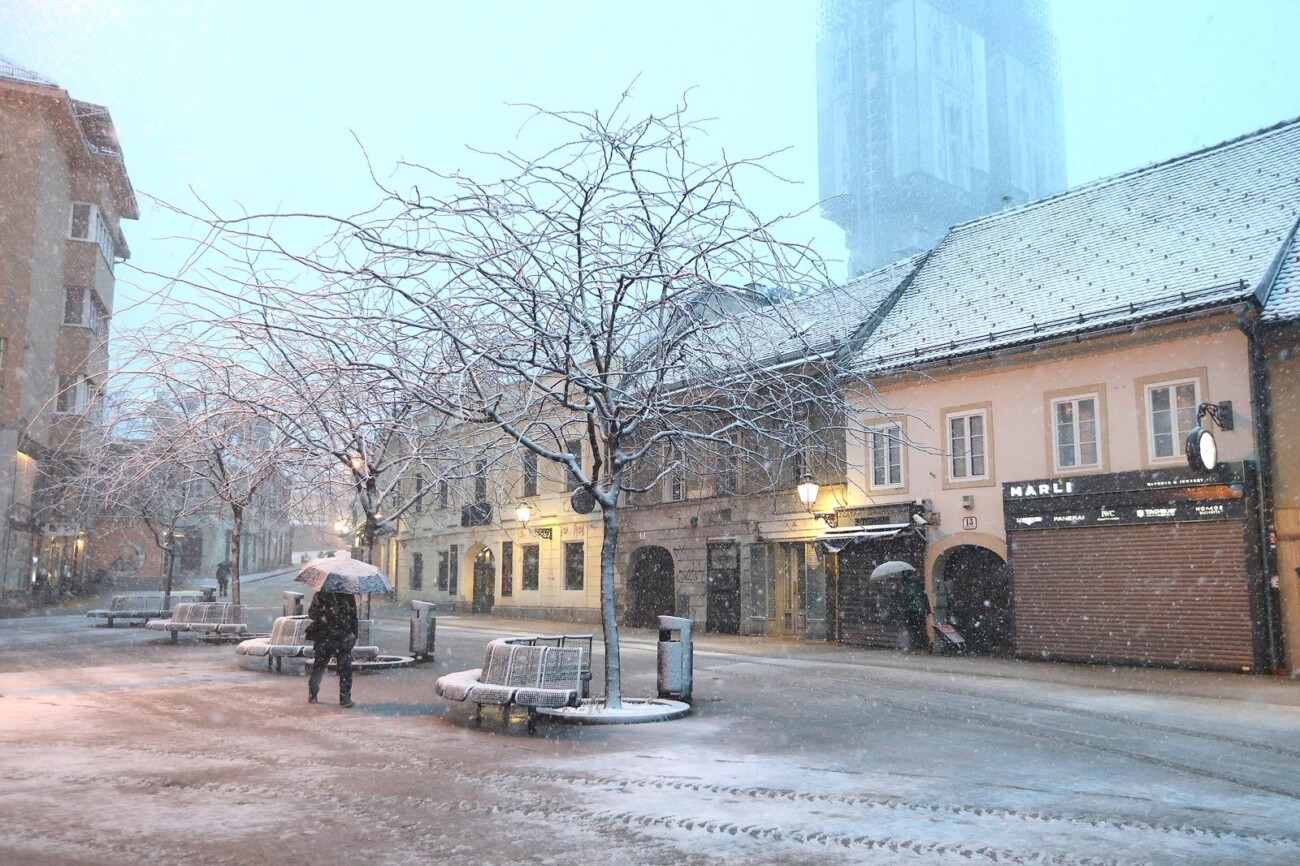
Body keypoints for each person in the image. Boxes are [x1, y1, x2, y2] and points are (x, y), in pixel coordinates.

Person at [305, 590, 358, 708]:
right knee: (319, 667)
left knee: (346, 668)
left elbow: (353, 617)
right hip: (325, 637)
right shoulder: (322, 594)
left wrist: (354, 634)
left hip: (343, 637)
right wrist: (329, 612)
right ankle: (313, 693)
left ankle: (345, 698)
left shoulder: (348, 595)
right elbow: (312, 613)